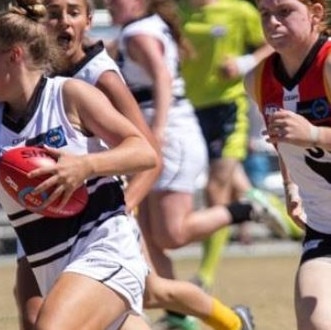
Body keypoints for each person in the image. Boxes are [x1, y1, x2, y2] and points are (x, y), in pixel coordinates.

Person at [1, 1, 254, 329]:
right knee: (33, 311)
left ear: (88, 20)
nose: (63, 22)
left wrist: (124, 206)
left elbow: (151, 157)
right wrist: (4, 178)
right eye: (53, 14)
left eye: (73, 13)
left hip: (100, 213)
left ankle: (234, 322)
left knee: (151, 292)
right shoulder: (38, 71)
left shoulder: (99, 76)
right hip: (46, 209)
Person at [0, 1, 158, 328]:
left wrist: (86, 166)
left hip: (105, 246)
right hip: (54, 265)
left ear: (15, 56)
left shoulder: (70, 96)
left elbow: (144, 152)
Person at [106, 0, 269, 327]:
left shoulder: (139, 32)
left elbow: (163, 79)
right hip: (164, 136)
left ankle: (246, 209)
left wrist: (159, 130)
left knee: (171, 235)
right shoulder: (141, 29)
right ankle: (179, 318)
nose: (110, 4)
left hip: (170, 139)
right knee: (150, 241)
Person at [180, 0, 288, 295]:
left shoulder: (239, 10)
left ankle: (204, 277)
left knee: (216, 189)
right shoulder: (179, 12)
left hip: (228, 108)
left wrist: (244, 63)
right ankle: (293, 228)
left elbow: (272, 43)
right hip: (189, 110)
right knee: (240, 190)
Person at [244, 0, 331, 327]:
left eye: (284, 11)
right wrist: (290, 188)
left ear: (316, 14)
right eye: (265, 14)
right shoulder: (258, 79)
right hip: (324, 228)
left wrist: (314, 134)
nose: (273, 22)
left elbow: (303, 136)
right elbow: (285, 141)